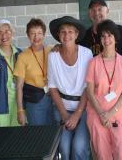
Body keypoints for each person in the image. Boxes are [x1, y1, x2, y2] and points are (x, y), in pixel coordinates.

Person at [48, 16, 93, 160]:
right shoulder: (53, 55)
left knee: (79, 146)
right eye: (62, 32)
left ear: (76, 34)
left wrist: (77, 114)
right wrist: (64, 114)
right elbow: (52, 87)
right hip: (62, 108)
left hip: (84, 107)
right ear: (58, 35)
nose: (66, 35)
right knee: (64, 148)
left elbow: (88, 86)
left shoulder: (86, 53)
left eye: (70, 31)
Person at [86, 19, 122, 160]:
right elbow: (89, 91)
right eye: (103, 36)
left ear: (115, 38)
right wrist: (101, 114)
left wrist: (111, 113)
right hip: (97, 114)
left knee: (121, 153)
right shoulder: (93, 62)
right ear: (99, 39)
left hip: (118, 113)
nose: (106, 39)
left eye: (110, 35)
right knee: (102, 154)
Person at [14, 18, 52, 126]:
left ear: (44, 34)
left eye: (39, 33)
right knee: (38, 135)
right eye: (33, 33)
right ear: (27, 35)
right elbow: (19, 86)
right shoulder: (23, 57)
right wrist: (20, 111)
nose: (36, 37)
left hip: (52, 99)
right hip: (35, 101)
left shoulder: (51, 51)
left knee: (52, 133)